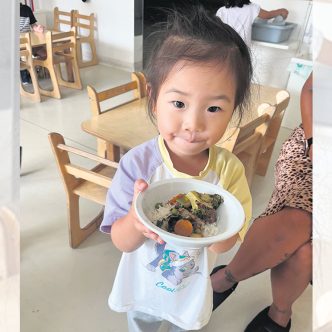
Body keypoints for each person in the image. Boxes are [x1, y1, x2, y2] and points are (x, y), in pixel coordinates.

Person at [100, 6, 254, 331]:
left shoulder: (229, 172)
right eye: (179, 103)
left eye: (214, 108)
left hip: (191, 289)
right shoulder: (137, 166)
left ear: (233, 112)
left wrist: (216, 228)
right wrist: (135, 221)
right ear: (153, 98)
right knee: (142, 323)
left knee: (185, 325)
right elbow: (120, 241)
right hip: (142, 284)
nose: (193, 125)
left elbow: (227, 242)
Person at [211, 73, 313, 332]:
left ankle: (278, 309)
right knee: (298, 218)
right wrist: (313, 142)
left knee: (307, 250)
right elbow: (313, 89)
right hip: (316, 147)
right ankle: (226, 278)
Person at [216, 0, 289, 46]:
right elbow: (268, 15)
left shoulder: (221, 11)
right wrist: (281, 11)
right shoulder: (252, 8)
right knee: (244, 69)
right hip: (244, 48)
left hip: (227, 46)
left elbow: (218, 30)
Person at [20, 2, 45, 84]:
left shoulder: (26, 9)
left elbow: (33, 24)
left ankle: (33, 71)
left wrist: (37, 28)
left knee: (45, 54)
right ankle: (24, 76)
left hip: (29, 41)